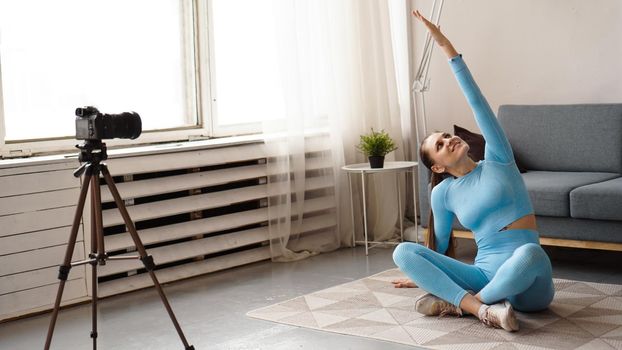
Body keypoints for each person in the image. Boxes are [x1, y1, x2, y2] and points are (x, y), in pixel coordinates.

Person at [391, 10, 555, 332]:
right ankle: (484, 309)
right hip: (483, 272)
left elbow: (477, 102)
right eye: (439, 145)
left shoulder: (498, 159)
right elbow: (437, 247)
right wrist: (423, 272)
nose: (449, 139)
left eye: (446, 136)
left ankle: (465, 305)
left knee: (530, 253)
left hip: (529, 285)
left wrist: (447, 48)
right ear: (437, 166)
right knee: (403, 251)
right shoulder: (443, 193)